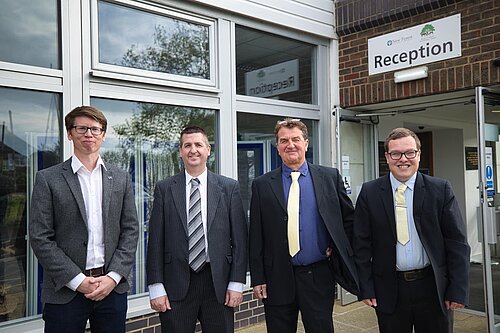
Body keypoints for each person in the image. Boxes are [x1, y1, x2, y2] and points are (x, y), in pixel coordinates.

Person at [29, 106, 139, 333]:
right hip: (65, 290)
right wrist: (77, 280)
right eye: (82, 128)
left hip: (111, 289)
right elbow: (40, 237)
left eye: (95, 129)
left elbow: (130, 230)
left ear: (103, 135)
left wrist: (114, 276)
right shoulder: (48, 179)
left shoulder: (120, 177)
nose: (89, 134)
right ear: (70, 133)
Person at [353, 127, 470, 333]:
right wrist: (366, 287)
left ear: (419, 154)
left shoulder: (440, 190)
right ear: (387, 157)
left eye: (409, 152)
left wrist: (458, 289)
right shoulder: (369, 192)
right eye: (396, 154)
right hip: (389, 289)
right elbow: (361, 244)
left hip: (433, 288)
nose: (403, 159)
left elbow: (457, 242)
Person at [249, 118, 358, 333]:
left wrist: (338, 251)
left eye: (296, 139)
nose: (290, 145)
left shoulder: (329, 177)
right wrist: (258, 277)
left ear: (306, 143)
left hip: (318, 275)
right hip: (276, 277)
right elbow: (256, 234)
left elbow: (348, 222)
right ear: (277, 147)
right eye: (284, 141)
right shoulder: (262, 185)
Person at [146, 125, 248, 333]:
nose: (193, 150)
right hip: (176, 284)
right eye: (187, 145)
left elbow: (240, 241)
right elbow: (155, 240)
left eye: (198, 145)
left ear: (208, 149)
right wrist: (155, 286)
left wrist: (237, 282)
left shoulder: (229, 188)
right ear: (180, 151)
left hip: (218, 284)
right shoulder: (165, 188)